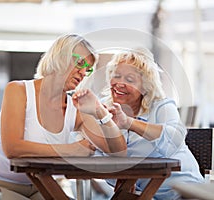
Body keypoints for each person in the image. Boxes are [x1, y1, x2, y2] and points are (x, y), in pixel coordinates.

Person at [0, 34, 126, 200]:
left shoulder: (75, 106)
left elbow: (118, 151)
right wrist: (71, 150)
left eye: (87, 69)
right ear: (60, 57)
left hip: (42, 186)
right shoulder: (18, 90)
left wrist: (100, 112)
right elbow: (13, 149)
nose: (83, 73)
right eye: (80, 63)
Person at [79, 47, 204, 200]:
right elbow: (92, 152)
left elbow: (175, 138)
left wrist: (129, 123)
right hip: (140, 195)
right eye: (116, 76)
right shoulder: (102, 109)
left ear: (145, 86)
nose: (119, 83)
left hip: (184, 193)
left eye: (129, 80)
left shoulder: (161, 106)